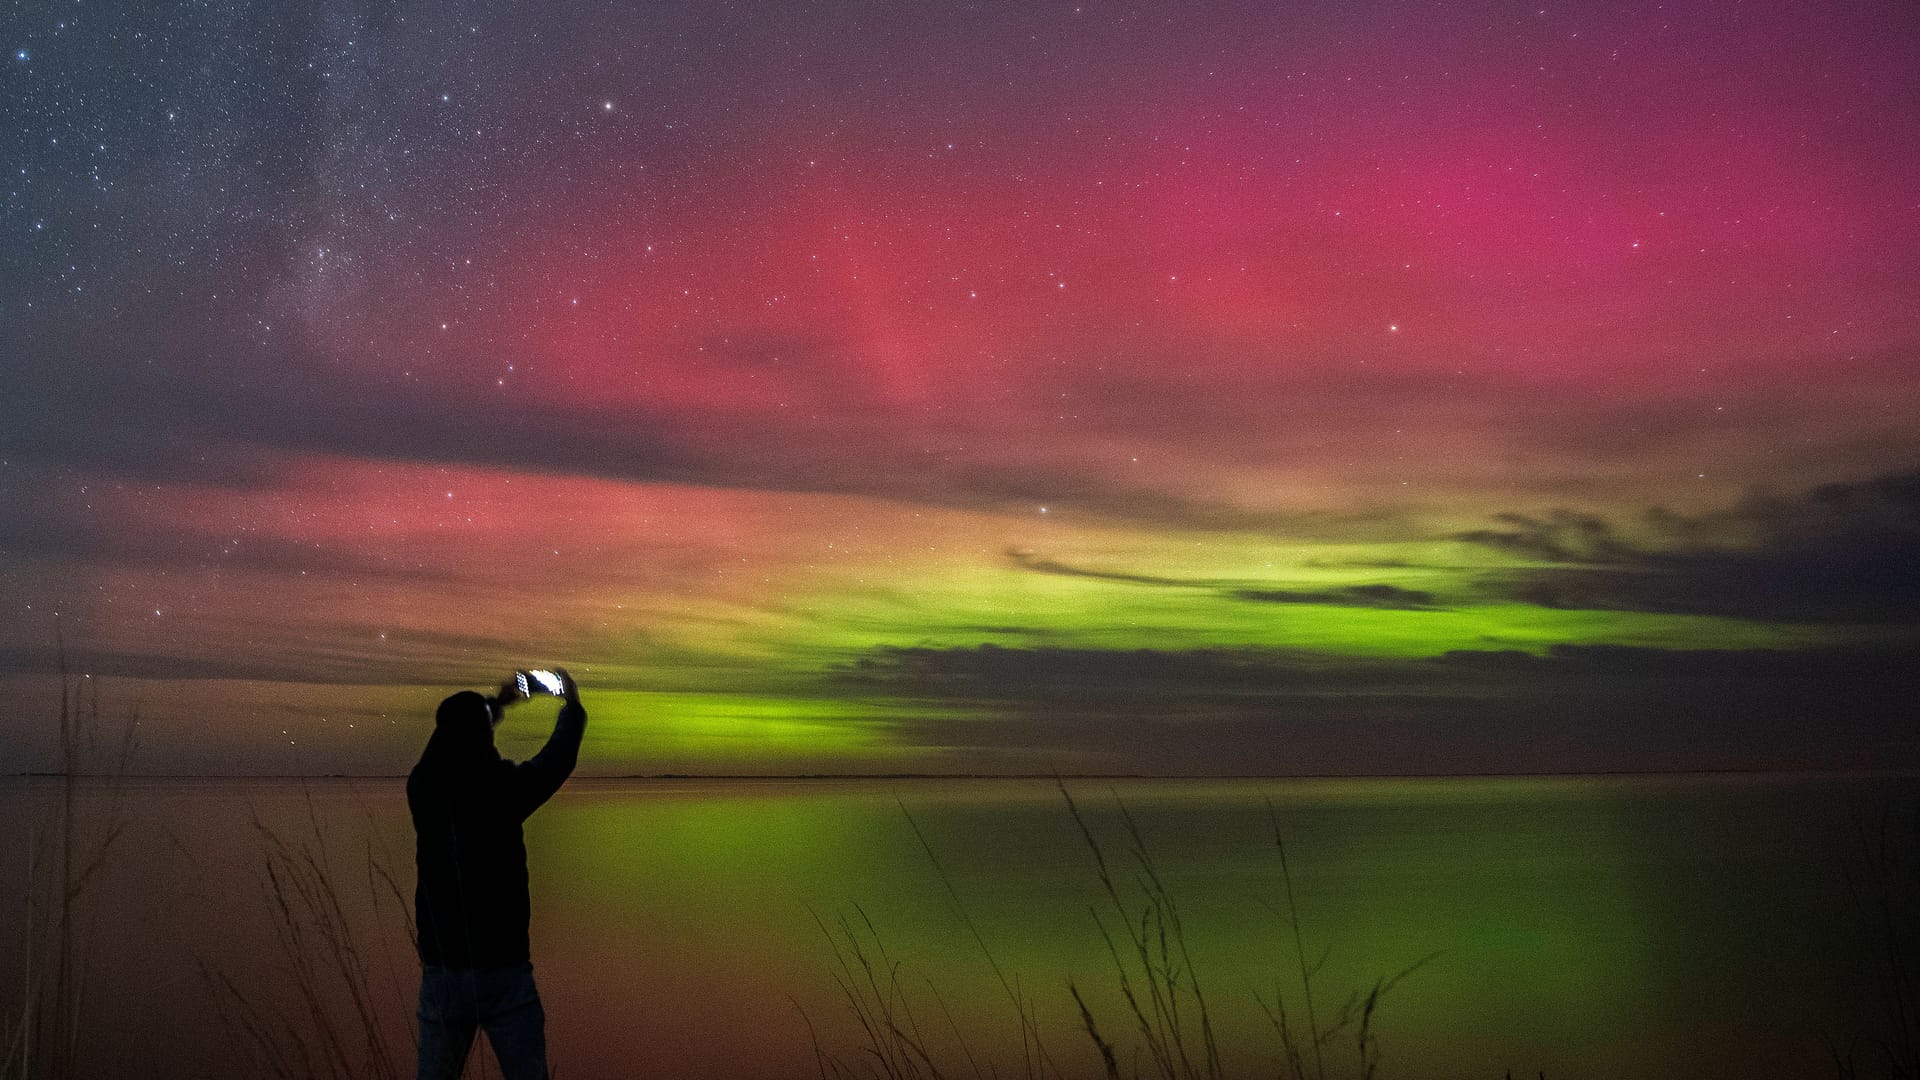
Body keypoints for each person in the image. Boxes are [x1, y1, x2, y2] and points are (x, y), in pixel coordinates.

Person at [407, 669, 586, 1080]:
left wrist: (496, 705)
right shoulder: (504, 789)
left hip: (445, 974)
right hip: (504, 972)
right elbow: (558, 758)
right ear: (484, 736)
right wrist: (571, 707)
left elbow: (448, 736)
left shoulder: (423, 789)